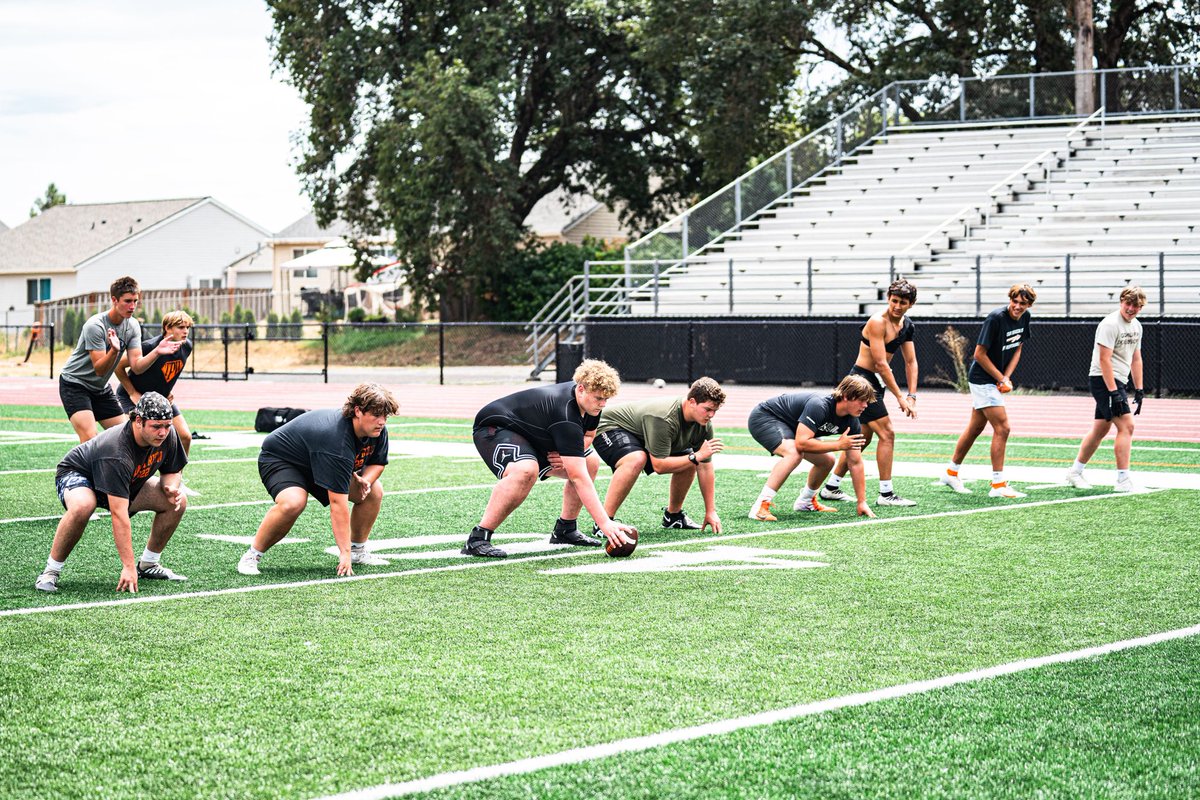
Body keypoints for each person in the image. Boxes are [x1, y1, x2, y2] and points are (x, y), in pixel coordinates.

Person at [464, 359, 637, 558]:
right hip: (497, 428)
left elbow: (588, 437)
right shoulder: (565, 413)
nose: (603, 403)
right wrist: (604, 522)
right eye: (599, 398)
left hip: (535, 433)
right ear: (580, 389)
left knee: (590, 462)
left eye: (606, 399)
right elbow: (578, 477)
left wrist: (570, 455)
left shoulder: (591, 405)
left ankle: (566, 529)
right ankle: (478, 537)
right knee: (525, 471)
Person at [237, 383, 399, 577]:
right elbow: (337, 504)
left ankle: (358, 550)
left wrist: (365, 480)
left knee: (373, 491)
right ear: (358, 411)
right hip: (284, 459)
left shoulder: (377, 430)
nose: (382, 421)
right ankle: (252, 555)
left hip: (319, 459)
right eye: (376, 415)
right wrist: (343, 552)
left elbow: (378, 463)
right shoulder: (337, 440)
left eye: (385, 416)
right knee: (293, 502)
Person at [35, 392, 189, 594]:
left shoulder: (168, 434)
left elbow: (172, 469)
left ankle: (148, 564)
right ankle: (50, 571)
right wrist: (127, 565)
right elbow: (118, 514)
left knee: (177, 501)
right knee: (83, 505)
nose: (163, 432)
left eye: (167, 426)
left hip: (125, 480)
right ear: (138, 421)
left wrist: (171, 488)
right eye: (156, 427)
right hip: (80, 474)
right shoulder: (116, 451)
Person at [822, 278, 919, 507]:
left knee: (860, 439)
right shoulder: (877, 322)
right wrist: (900, 397)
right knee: (887, 433)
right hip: (863, 381)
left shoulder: (907, 325)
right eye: (894, 300)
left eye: (902, 302)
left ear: (911, 304)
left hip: (878, 383)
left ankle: (831, 487)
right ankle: (886, 494)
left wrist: (912, 395)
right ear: (888, 299)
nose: (896, 306)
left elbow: (911, 361)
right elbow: (880, 364)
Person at [938, 283, 1037, 498]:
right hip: (982, 378)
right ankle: (998, 485)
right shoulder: (996, 318)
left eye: (1023, 304)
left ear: (1029, 305)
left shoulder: (1025, 318)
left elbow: (1018, 347)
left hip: (995, 379)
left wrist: (1006, 377)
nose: (1017, 306)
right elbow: (979, 355)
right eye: (1015, 301)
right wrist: (1000, 377)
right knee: (1003, 428)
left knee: (975, 428)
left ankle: (950, 472)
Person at [594, 376, 727, 534]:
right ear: (692, 402)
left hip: (643, 433)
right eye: (707, 409)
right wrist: (695, 457)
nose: (711, 415)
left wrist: (710, 511)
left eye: (715, 411)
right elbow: (659, 466)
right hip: (609, 426)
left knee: (689, 462)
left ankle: (673, 516)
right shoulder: (663, 418)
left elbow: (705, 467)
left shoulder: (704, 424)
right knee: (636, 459)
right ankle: (604, 522)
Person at [57, 276, 180, 444]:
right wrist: (114, 350)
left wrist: (157, 352)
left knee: (129, 435)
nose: (132, 306)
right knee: (90, 439)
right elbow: (100, 369)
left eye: (135, 301)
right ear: (114, 300)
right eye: (127, 301)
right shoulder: (96, 326)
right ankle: (81, 470)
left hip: (100, 388)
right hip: (75, 384)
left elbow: (136, 366)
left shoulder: (132, 325)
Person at [747, 375, 877, 520]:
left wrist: (862, 502)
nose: (865, 405)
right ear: (846, 396)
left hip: (793, 426)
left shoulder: (853, 422)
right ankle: (760, 506)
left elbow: (855, 462)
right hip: (766, 416)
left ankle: (806, 501)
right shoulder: (819, 405)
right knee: (794, 454)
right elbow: (801, 443)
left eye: (867, 401)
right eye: (861, 400)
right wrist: (838, 445)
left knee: (827, 460)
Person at [1066, 286, 1147, 493]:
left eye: (1136, 306)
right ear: (1121, 301)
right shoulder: (1110, 324)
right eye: (1128, 304)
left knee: (1100, 429)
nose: (1131, 309)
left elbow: (1136, 358)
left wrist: (1139, 388)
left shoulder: (1137, 326)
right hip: (1103, 379)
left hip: (1118, 380)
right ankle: (1122, 480)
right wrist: (1113, 391)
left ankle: (1075, 472)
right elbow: (1104, 360)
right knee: (1127, 425)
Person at [115, 310, 198, 494]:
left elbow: (167, 373)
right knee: (136, 439)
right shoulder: (149, 346)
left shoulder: (187, 346)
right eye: (180, 327)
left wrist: (168, 391)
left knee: (185, 436)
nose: (185, 331)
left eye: (187, 327)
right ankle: (125, 483)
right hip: (134, 397)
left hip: (160, 399)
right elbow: (119, 366)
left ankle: (175, 480)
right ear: (167, 328)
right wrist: (132, 392)